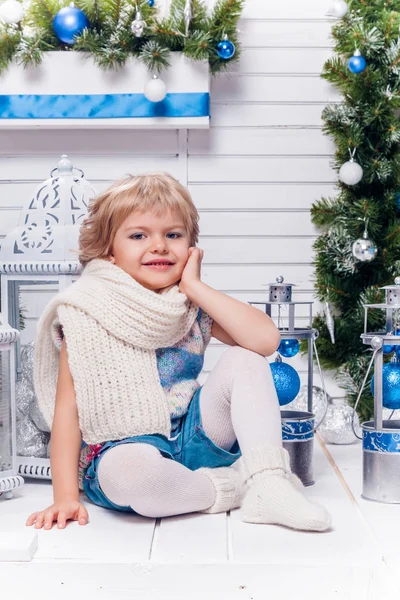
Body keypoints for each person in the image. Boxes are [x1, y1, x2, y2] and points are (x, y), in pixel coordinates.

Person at [26, 173, 331, 532]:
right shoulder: (85, 312)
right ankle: (229, 487)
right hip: (123, 451)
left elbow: (265, 340)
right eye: (138, 236)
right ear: (109, 251)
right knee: (136, 476)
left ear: (190, 246)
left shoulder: (189, 305)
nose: (159, 246)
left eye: (173, 235)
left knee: (245, 358)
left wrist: (196, 287)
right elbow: (67, 411)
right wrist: (65, 497)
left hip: (194, 437)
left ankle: (267, 481)